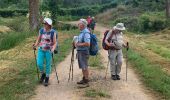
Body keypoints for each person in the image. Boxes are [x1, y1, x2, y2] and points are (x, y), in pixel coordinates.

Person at [33, 18, 57, 86]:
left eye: (45, 24)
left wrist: (53, 49)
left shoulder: (53, 32)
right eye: (44, 23)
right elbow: (38, 39)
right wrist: (35, 45)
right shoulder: (41, 30)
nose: (44, 25)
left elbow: (55, 43)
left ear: (49, 25)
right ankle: (43, 74)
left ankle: (47, 77)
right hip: (41, 49)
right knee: (39, 63)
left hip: (48, 51)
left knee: (48, 64)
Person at [74, 19, 90, 87]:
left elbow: (87, 43)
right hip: (81, 51)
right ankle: (84, 79)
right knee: (83, 66)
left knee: (84, 66)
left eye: (79, 23)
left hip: (83, 52)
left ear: (83, 25)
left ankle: (86, 81)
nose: (78, 25)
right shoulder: (82, 32)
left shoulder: (86, 32)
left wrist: (78, 44)